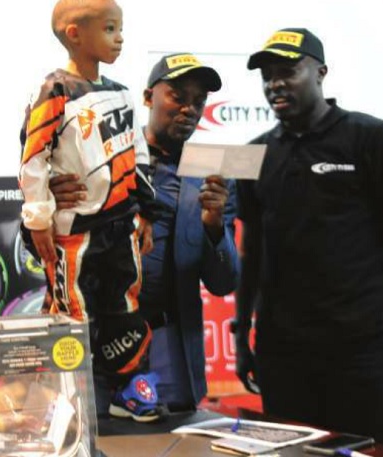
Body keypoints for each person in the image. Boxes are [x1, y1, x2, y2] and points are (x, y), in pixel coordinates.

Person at [234, 28, 383, 443]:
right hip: (283, 353)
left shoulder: (372, 137)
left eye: (288, 71)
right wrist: (243, 336)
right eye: (268, 75)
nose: (275, 83)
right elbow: (251, 252)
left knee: (361, 451)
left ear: (320, 72)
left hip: (361, 349)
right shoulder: (253, 153)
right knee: (290, 452)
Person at [47, 53, 239, 413]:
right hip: (99, 338)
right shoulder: (100, 156)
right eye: (178, 97)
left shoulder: (212, 171)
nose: (189, 109)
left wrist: (215, 227)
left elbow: (224, 283)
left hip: (169, 347)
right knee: (98, 438)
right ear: (149, 97)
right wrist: (50, 206)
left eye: (199, 102)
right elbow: (46, 245)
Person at [19, 0, 165, 422]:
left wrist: (148, 213)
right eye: (110, 28)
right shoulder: (55, 90)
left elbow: (138, 156)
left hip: (122, 222)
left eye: (120, 28)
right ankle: (67, 403)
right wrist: (39, 217)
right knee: (70, 311)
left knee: (125, 302)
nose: (120, 37)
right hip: (75, 229)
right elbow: (33, 160)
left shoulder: (120, 92)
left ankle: (128, 388)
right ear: (74, 33)